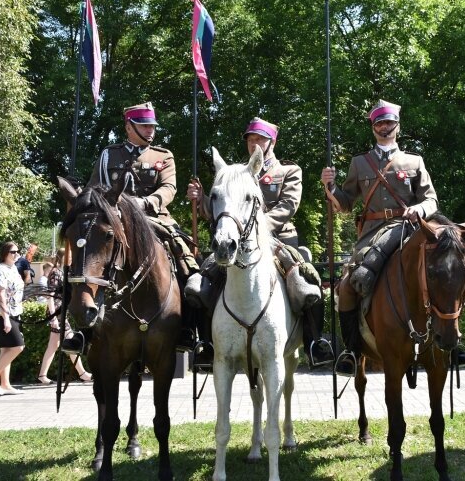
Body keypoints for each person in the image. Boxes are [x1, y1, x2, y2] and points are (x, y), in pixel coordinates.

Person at [186, 117, 333, 370]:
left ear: (271, 142)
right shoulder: (236, 173)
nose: (254, 143)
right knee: (203, 279)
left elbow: (289, 205)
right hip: (238, 241)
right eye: (251, 139)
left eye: (260, 139)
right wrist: (200, 200)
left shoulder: (289, 171)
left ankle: (314, 342)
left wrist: (258, 227)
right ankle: (207, 344)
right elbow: (220, 210)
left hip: (279, 238)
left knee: (307, 278)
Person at [61, 101, 199, 354]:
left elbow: (169, 189)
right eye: (144, 125)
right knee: (86, 262)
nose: (150, 130)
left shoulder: (162, 155)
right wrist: (78, 193)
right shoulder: (108, 155)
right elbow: (95, 191)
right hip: (114, 219)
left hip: (154, 218)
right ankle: (85, 332)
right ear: (129, 126)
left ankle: (188, 329)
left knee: (188, 264)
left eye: (152, 126)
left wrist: (144, 203)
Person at [320, 100, 443, 375]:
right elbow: (346, 203)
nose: (384, 127)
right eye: (379, 123)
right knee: (347, 285)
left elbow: (431, 199)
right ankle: (352, 348)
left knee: (443, 273)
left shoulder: (415, 161)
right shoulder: (359, 163)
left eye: (389, 123)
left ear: (397, 126)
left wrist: (419, 208)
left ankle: (447, 340)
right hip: (372, 235)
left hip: (409, 229)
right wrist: (330, 186)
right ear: (373, 127)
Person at [37, 249, 92, 384]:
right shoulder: (56, 272)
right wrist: (53, 318)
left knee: (53, 346)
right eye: (71, 256)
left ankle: (42, 376)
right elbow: (50, 296)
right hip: (57, 313)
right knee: (71, 342)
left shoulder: (62, 271)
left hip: (60, 313)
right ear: (65, 257)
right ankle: (82, 373)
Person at [0, 241, 26, 395]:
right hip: (2, 315)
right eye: (13, 252)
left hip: (14, 312)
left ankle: (5, 384)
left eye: (17, 251)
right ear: (5, 254)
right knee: (18, 347)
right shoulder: (0, 271)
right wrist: (6, 318)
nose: (16, 254)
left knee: (6, 349)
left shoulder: (13, 268)